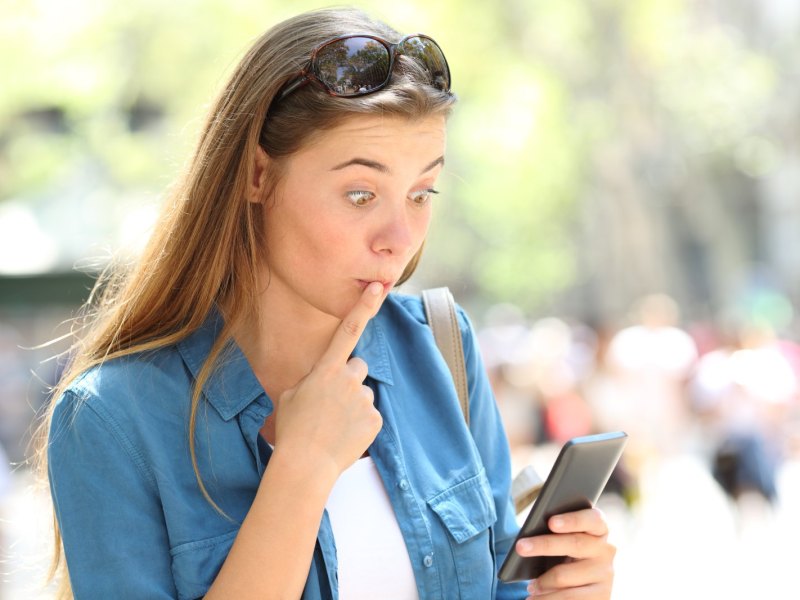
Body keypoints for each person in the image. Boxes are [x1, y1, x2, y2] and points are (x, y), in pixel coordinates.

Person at [40, 7, 616, 599]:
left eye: (422, 192)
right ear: (257, 176)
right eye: (361, 194)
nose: (399, 236)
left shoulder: (443, 347)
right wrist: (301, 470)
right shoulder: (113, 419)